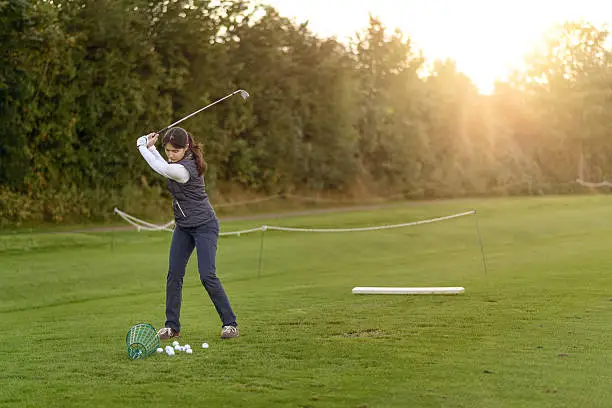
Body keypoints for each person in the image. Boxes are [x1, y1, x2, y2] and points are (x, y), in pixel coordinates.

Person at [136, 127, 239, 340]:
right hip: (183, 227)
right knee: (174, 274)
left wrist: (141, 146)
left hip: (205, 226)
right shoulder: (174, 162)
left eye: (175, 151)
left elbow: (162, 169)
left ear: (186, 148)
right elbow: (164, 163)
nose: (170, 155)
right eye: (167, 150)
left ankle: (230, 324)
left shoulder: (185, 170)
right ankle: (172, 327)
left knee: (207, 275)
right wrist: (152, 148)